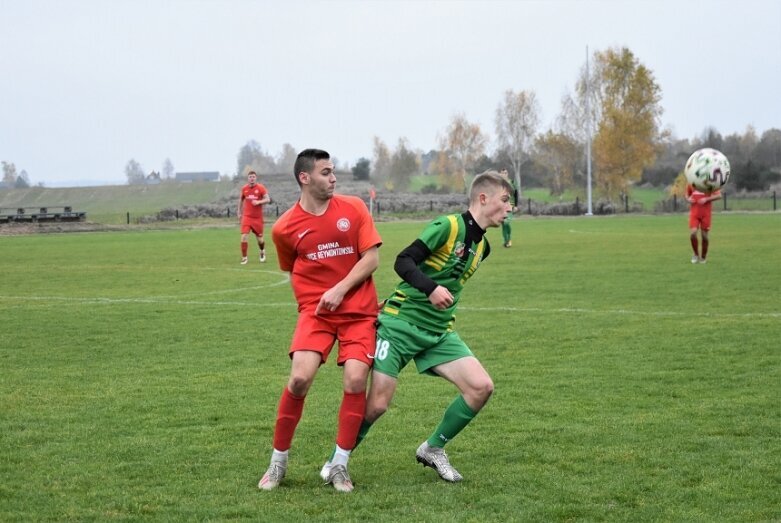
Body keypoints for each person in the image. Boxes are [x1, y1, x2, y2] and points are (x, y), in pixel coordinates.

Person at [321, 170, 513, 483]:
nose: (510, 207)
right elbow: (403, 260)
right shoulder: (447, 226)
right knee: (378, 405)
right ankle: (336, 461)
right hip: (399, 326)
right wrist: (430, 289)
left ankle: (433, 448)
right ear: (483, 198)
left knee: (481, 388)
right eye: (505, 200)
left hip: (438, 332)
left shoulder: (484, 247)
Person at [258, 149, 382, 493]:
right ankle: (278, 462)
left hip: (359, 312)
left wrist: (341, 289)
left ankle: (340, 465)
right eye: (326, 172)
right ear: (305, 177)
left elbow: (371, 259)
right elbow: (292, 269)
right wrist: (315, 300)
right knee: (299, 380)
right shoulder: (284, 228)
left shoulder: (354, 208)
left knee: (356, 381)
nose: (333, 178)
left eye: (333, 171)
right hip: (317, 314)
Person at [237, 171, 271, 264]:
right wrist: (239, 212)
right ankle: (244, 258)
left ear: (256, 178)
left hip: (257, 218)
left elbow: (268, 199)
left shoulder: (261, 188)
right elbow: (241, 200)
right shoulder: (244, 189)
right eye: (250, 177)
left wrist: (258, 202)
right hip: (247, 217)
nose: (252, 178)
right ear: (248, 179)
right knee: (244, 236)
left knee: (260, 239)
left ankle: (262, 251)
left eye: (253, 177)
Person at [686, 183, 722, 264]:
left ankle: (703, 257)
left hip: (706, 214)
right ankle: (695, 254)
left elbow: (719, 195)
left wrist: (706, 199)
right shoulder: (692, 182)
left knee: (704, 236)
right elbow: (687, 194)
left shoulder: (710, 183)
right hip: (694, 214)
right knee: (693, 233)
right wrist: (688, 199)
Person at [499, 169, 517, 247]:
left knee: (506, 223)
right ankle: (506, 241)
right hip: (501, 206)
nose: (504, 174)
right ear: (500, 174)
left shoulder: (512, 183)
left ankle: (508, 240)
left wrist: (516, 205)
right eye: (502, 173)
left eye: (505, 173)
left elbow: (516, 194)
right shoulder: (498, 184)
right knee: (503, 224)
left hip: (510, 206)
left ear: (507, 174)